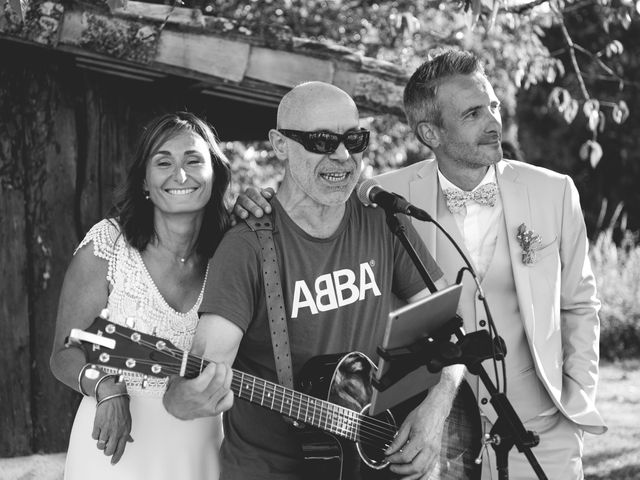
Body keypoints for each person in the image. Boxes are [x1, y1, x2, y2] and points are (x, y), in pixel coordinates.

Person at [235, 50, 607, 479]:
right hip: (431, 439)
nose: (494, 122)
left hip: (544, 435)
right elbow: (307, 198)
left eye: (494, 106)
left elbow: (580, 305)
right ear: (430, 131)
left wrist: (576, 401)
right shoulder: (380, 198)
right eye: (473, 113)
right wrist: (255, 201)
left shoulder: (554, 192)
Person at [163, 81, 470, 480]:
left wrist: (437, 405)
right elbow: (203, 372)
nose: (342, 156)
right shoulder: (248, 246)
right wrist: (186, 397)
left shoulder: (383, 221)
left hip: (369, 465)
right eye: (321, 141)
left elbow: (453, 325)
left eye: (353, 139)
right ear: (279, 145)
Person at [50, 112, 234, 480]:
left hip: (200, 446)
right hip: (115, 443)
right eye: (163, 162)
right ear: (145, 182)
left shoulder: (234, 253)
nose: (180, 175)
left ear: (215, 175)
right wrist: (104, 387)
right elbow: (62, 354)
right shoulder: (109, 245)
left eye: (193, 160)